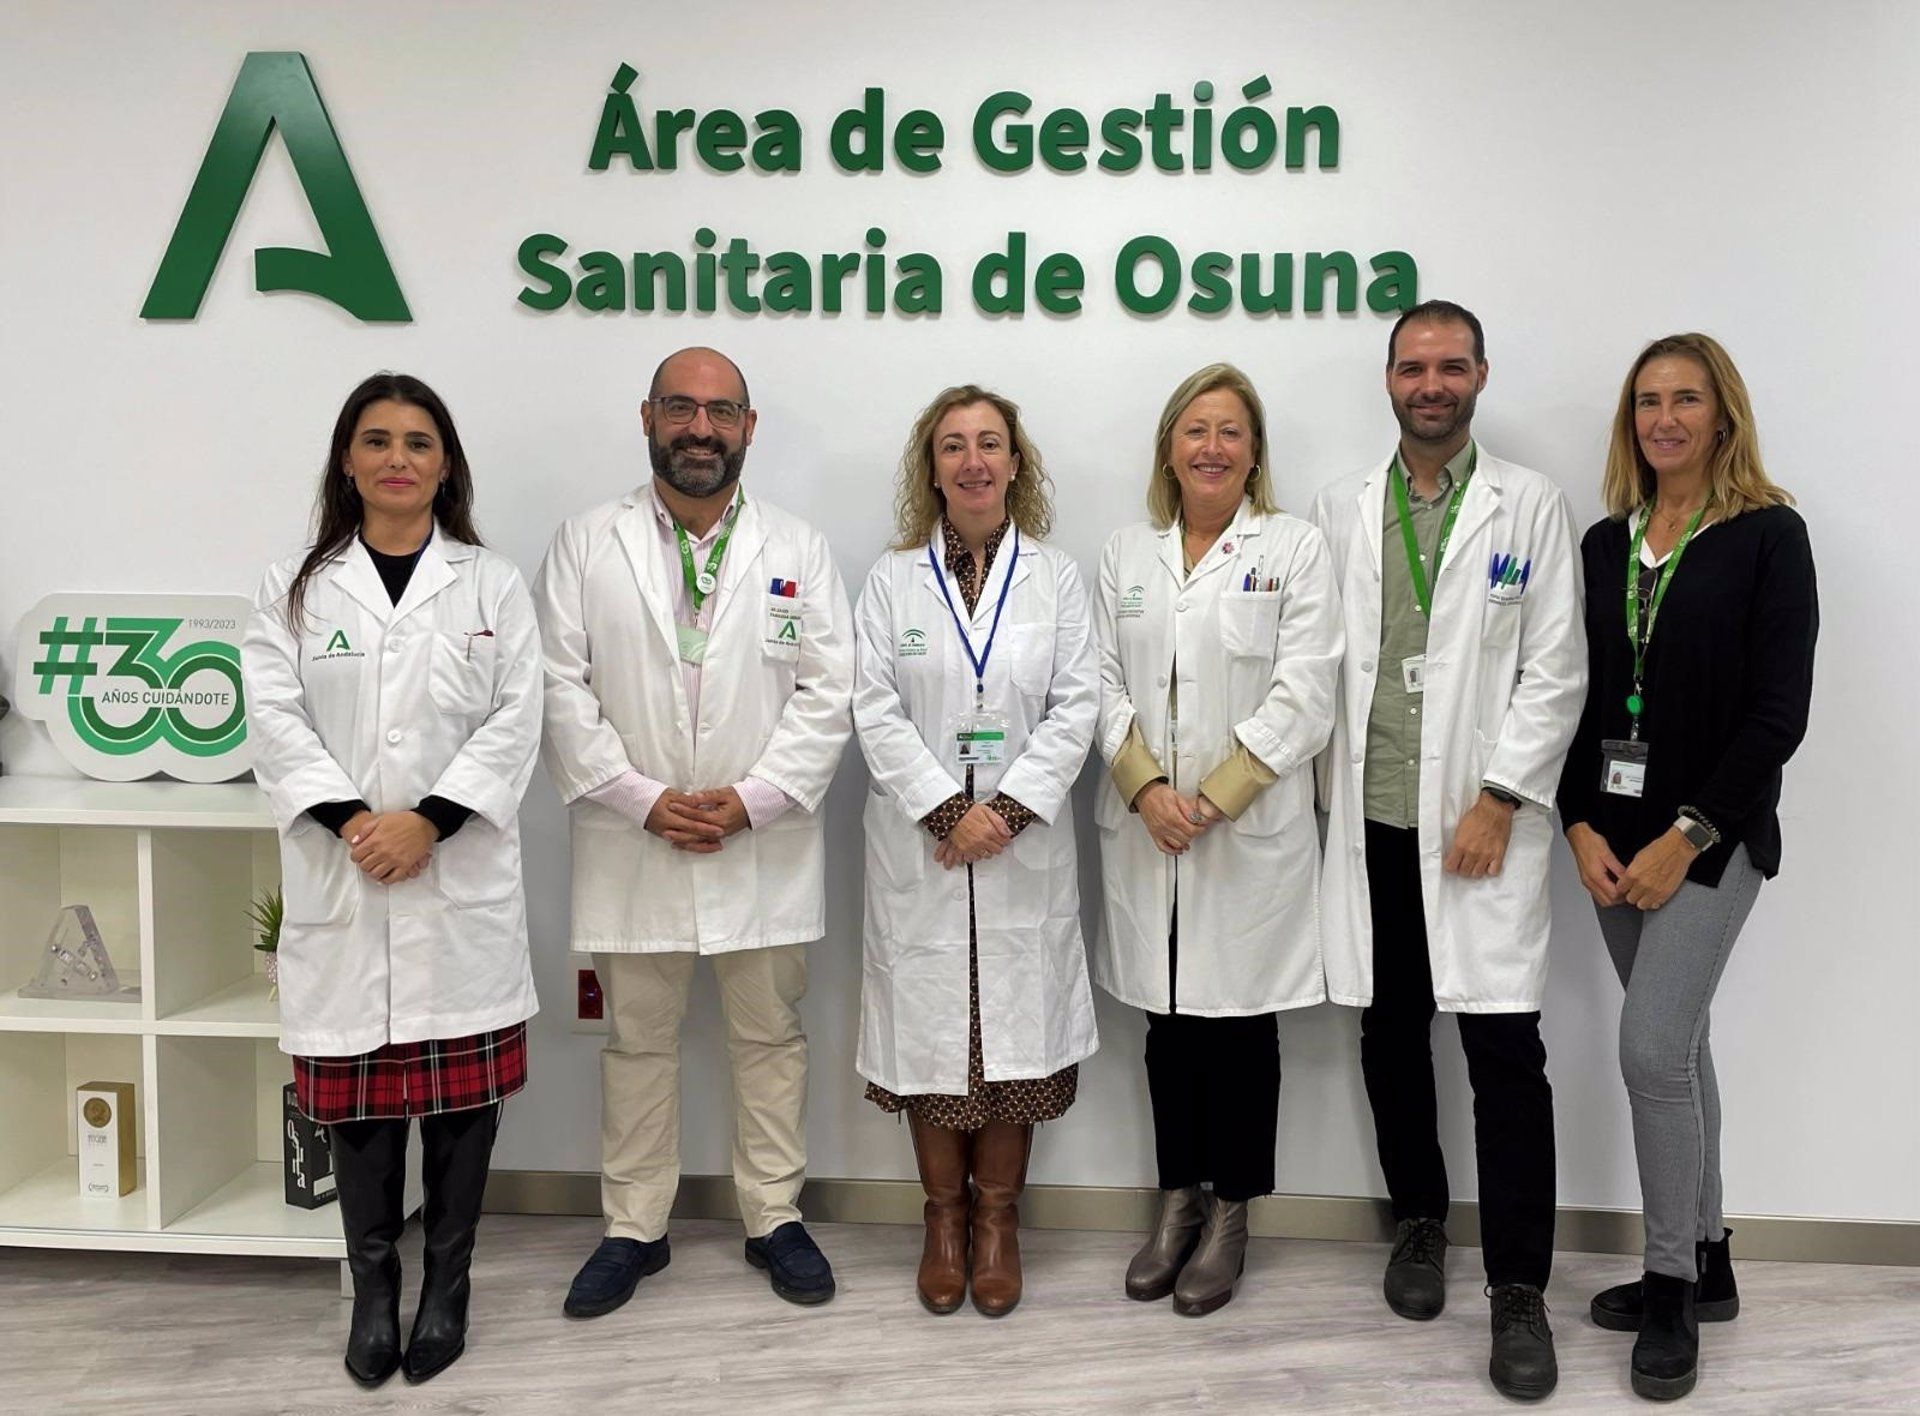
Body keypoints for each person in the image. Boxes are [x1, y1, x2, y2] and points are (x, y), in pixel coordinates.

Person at [535, 346, 855, 1317]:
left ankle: (775, 1216)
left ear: (749, 427)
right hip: (634, 839)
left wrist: (757, 797)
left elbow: (829, 690)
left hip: (762, 841)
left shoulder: (799, 548)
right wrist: (638, 797)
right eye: (681, 408)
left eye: (720, 412)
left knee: (771, 1038)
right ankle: (634, 1226)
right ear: (648, 418)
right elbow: (558, 686)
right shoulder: (585, 543)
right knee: (636, 1043)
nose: (700, 429)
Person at [241, 373, 542, 1388]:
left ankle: (447, 1287)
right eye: (377, 440)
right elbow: (274, 722)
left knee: (461, 1110)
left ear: (445, 464)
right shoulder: (295, 587)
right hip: (348, 875)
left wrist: (430, 823)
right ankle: (375, 1293)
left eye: (418, 442)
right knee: (359, 1110)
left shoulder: (491, 585)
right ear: (348, 460)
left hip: (455, 882)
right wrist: (357, 823)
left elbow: (517, 720)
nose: (398, 458)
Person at [1310, 301, 1586, 1401]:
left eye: (1451, 366)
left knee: (1505, 1053)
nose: (1432, 384)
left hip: (1481, 825)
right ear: (1388, 379)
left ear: (1480, 375)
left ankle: (1518, 1287)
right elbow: (1319, 665)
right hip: (1373, 817)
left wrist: (1502, 796)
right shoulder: (1342, 508)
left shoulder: (1531, 504)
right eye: (1414, 367)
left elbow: (1556, 667)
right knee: (1390, 1035)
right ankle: (1418, 1220)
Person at [1558, 333, 1816, 1402]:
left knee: (1651, 1049)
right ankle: (1708, 1260)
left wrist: (1689, 834)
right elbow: (1571, 696)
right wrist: (1578, 822)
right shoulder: (1604, 545)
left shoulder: (1769, 537)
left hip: (1712, 842)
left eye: (1686, 400)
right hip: (1613, 845)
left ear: (1723, 415)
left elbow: (1778, 715)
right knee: (1683, 1045)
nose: (1665, 419)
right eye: (1647, 402)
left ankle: (1668, 1288)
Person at [1092, 363, 1342, 1318]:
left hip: (1244, 832)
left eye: (1230, 431)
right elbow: (1097, 681)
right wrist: (1145, 788)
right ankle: (1178, 1203)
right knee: (1167, 1026)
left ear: (1254, 451)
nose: (1211, 447)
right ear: (1170, 447)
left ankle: (1232, 1214)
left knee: (1239, 1028)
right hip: (1149, 828)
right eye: (1195, 429)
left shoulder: (1294, 548)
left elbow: (1307, 689)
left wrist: (1217, 794)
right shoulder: (1126, 554)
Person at [852, 385, 1099, 1317]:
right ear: (932, 469)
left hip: (1017, 850)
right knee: (932, 1042)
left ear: (1015, 463)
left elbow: (1078, 704)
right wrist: (948, 810)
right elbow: (872, 706)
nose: (973, 461)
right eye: (952, 446)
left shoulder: (1056, 578)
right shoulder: (892, 580)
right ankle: (943, 1221)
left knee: (1014, 1046)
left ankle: (997, 1221)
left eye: (989, 443)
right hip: (925, 847)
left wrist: (1009, 811)